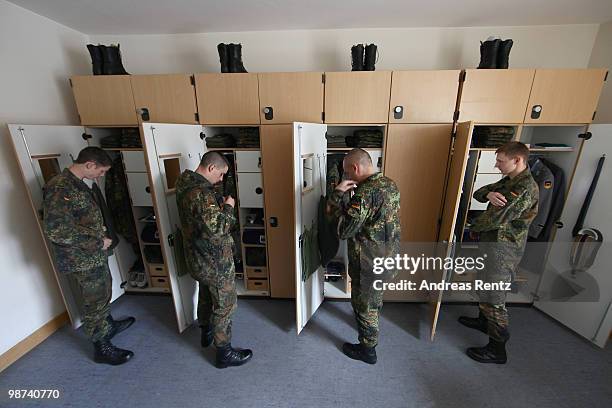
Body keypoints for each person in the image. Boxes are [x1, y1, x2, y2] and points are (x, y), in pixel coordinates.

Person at [43, 147, 135, 366]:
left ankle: (108, 325)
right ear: (90, 165)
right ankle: (101, 346)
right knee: (93, 301)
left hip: (93, 255)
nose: (101, 176)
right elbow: (56, 230)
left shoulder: (78, 184)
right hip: (80, 257)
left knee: (103, 292)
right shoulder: (59, 187)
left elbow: (80, 220)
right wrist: (96, 241)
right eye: (101, 171)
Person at [459, 141, 539, 364]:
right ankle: (483, 322)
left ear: (517, 160)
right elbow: (478, 192)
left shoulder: (524, 188)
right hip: (492, 246)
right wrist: (490, 194)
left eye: (500, 161)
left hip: (504, 251)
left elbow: (495, 219)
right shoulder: (510, 180)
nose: (496, 165)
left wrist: (468, 228)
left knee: (495, 299)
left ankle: (497, 350)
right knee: (484, 287)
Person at [175, 151, 252, 368]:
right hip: (214, 261)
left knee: (207, 296)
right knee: (225, 304)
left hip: (197, 257)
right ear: (210, 168)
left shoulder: (184, 183)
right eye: (220, 174)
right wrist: (228, 206)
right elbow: (218, 228)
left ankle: (205, 331)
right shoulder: (201, 194)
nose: (221, 180)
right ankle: (224, 353)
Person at [327, 148, 401, 364]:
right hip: (388, 257)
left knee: (364, 304)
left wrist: (338, 194)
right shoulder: (389, 183)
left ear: (355, 168)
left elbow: (343, 230)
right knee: (373, 299)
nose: (347, 177)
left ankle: (368, 350)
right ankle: (370, 323)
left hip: (369, 262)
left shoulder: (365, 193)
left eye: (347, 173)